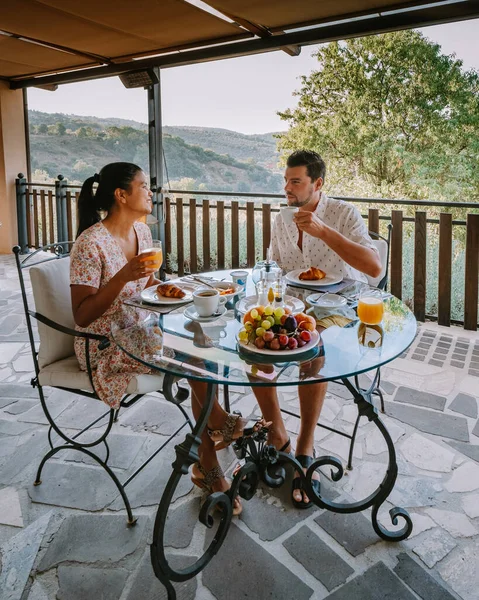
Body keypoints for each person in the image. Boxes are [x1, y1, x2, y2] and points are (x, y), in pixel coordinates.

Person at [70, 162, 263, 516]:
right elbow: (81, 315)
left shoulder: (143, 234)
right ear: (121, 195)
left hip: (141, 329)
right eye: (144, 186)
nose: (151, 192)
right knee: (190, 352)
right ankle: (214, 441)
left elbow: (147, 291)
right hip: (103, 344)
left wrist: (180, 289)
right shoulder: (89, 243)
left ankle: (209, 455)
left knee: (202, 337)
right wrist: (121, 276)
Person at [252, 150, 382, 509]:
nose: (287, 188)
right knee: (253, 348)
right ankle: (278, 436)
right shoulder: (282, 219)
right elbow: (275, 266)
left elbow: (373, 268)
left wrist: (323, 232)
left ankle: (305, 447)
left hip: (339, 308)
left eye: (296, 181)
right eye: (286, 181)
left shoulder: (342, 214)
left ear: (317, 184)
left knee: (315, 352)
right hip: (292, 306)